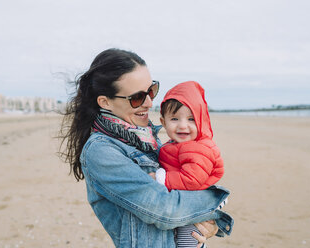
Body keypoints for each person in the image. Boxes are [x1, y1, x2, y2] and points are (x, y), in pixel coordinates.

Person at [59, 48, 233, 248]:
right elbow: (165, 210)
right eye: (137, 97)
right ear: (105, 102)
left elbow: (183, 189)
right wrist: (213, 204)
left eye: (152, 90)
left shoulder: (148, 139)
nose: (150, 102)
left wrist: (209, 225)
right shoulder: (101, 151)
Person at [155, 81, 226, 247]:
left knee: (187, 241)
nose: (182, 125)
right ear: (163, 122)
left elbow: (191, 179)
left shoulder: (198, 148)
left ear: (201, 121)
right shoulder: (176, 145)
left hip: (194, 208)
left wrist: (161, 178)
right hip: (184, 202)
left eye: (191, 119)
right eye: (174, 118)